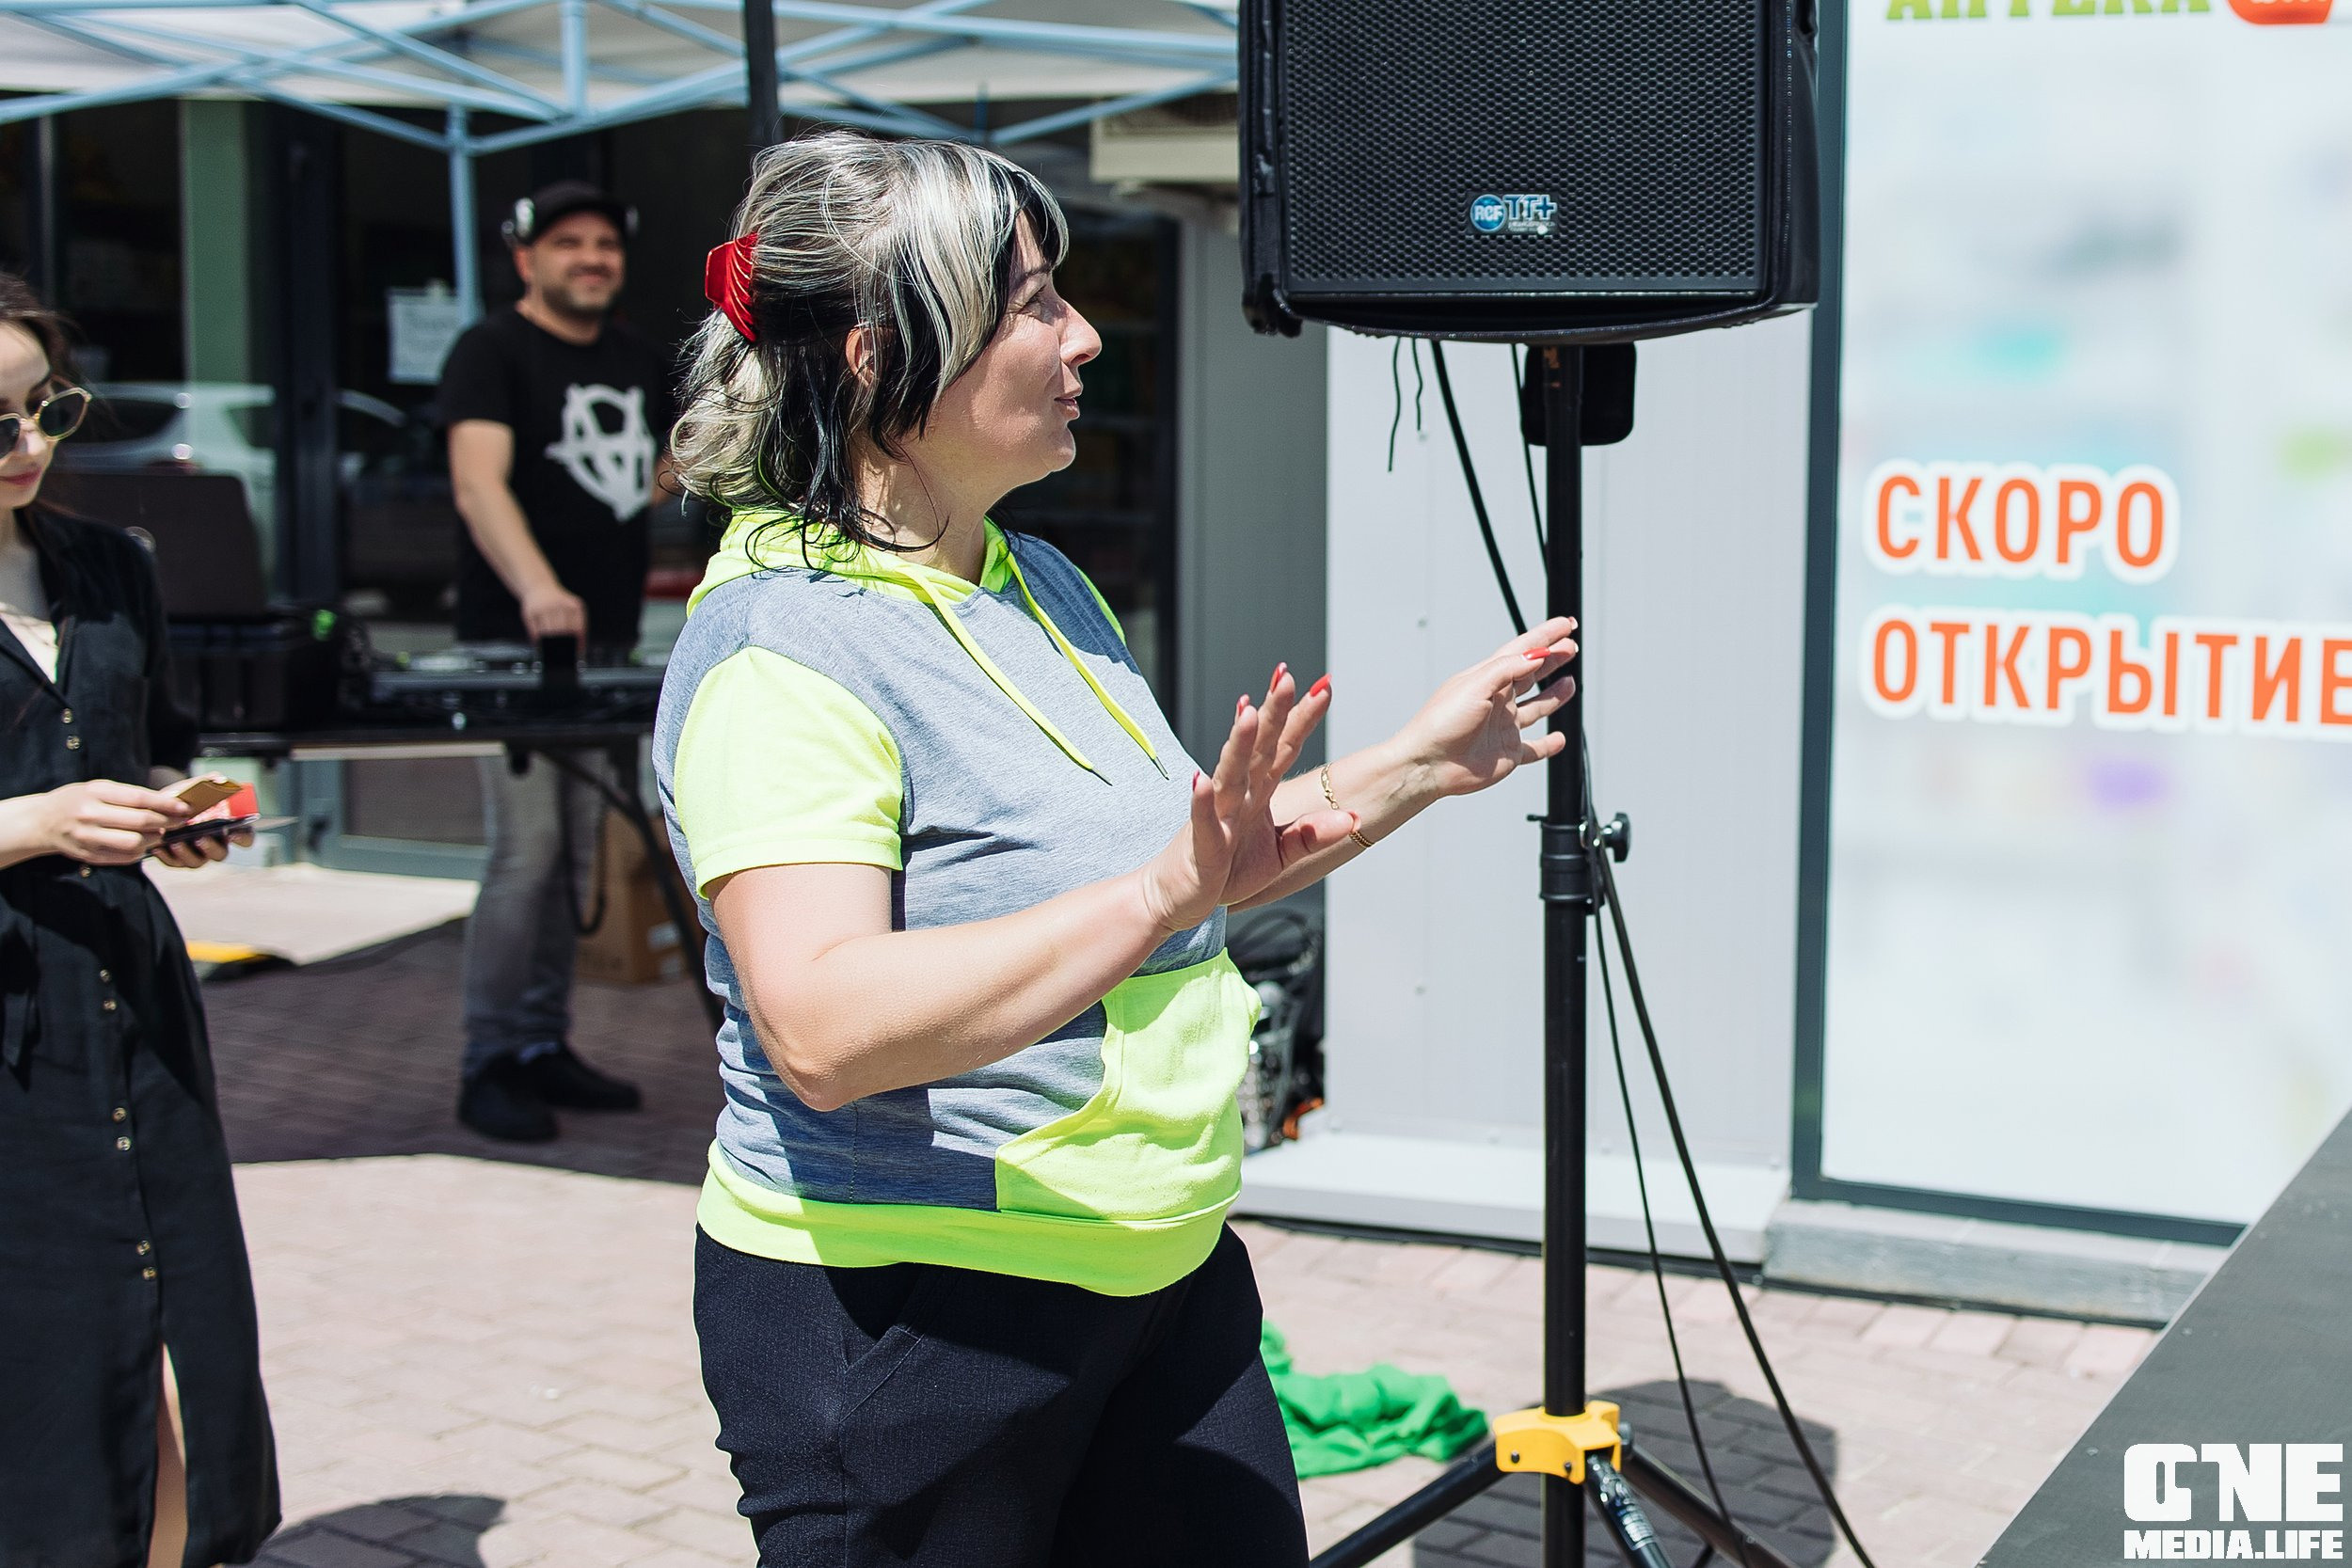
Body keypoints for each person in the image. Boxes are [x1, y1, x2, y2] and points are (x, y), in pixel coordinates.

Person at [657, 133, 1581, 1567]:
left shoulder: (1037, 576)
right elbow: (823, 1024)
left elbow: (1177, 885)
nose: (1083, 334)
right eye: (1032, 303)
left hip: (1159, 1274)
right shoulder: (786, 647)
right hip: (918, 1317)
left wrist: (1412, 766)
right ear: (871, 354)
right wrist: (1160, 888)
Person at [0, 275, 279, 1567]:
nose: (27, 445)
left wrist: (193, 810)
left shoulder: (107, 564)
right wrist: (38, 822)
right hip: (18, 1016)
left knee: (179, 1327)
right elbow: (55, 799)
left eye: (44, 408)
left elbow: (159, 748)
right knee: (57, 1354)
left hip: (130, 987)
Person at [439, 179, 675, 1142]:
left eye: (606, 244)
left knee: (572, 859)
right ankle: (487, 1059)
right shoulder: (490, 351)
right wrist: (538, 589)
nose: (592, 257)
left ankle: (541, 1042)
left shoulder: (633, 359)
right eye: (570, 242)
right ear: (525, 257)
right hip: (513, 648)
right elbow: (476, 483)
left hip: (608, 648)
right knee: (525, 853)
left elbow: (658, 469)